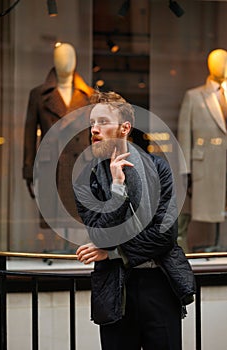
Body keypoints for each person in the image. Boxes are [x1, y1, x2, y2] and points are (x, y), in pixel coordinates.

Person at [73, 91, 196, 350]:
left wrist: (115, 251)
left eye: (103, 122)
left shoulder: (158, 168)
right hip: (115, 291)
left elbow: (165, 235)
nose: (94, 129)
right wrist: (117, 188)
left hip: (160, 285)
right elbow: (100, 236)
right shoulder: (86, 179)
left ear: (125, 128)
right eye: (92, 123)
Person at [23, 42, 94, 229]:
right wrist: (28, 171)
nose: (66, 62)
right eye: (61, 57)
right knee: (53, 217)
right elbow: (29, 137)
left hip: (80, 165)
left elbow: (95, 135)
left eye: (70, 57)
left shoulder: (89, 96)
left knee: (78, 218)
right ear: (54, 61)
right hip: (51, 165)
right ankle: (54, 250)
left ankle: (70, 250)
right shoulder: (38, 95)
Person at [178, 48, 227, 251]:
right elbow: (184, 134)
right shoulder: (194, 96)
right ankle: (211, 244)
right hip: (206, 164)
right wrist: (185, 170)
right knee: (208, 208)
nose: (222, 66)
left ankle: (220, 244)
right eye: (218, 62)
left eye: (224, 61)